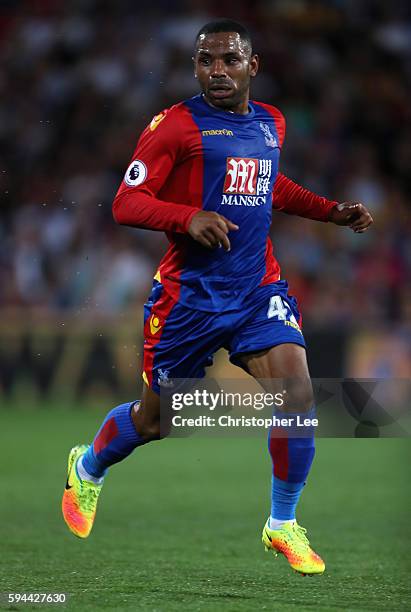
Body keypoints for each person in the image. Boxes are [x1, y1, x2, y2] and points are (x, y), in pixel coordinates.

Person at [62, 19, 373, 575]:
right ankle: (87, 467)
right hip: (189, 300)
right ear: (195, 67)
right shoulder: (176, 126)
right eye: (206, 61)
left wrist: (331, 211)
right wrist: (188, 218)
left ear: (253, 65)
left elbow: (271, 185)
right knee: (154, 421)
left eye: (229, 60)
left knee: (297, 393)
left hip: (256, 288)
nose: (217, 71)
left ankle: (281, 523)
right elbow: (126, 202)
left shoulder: (271, 122)